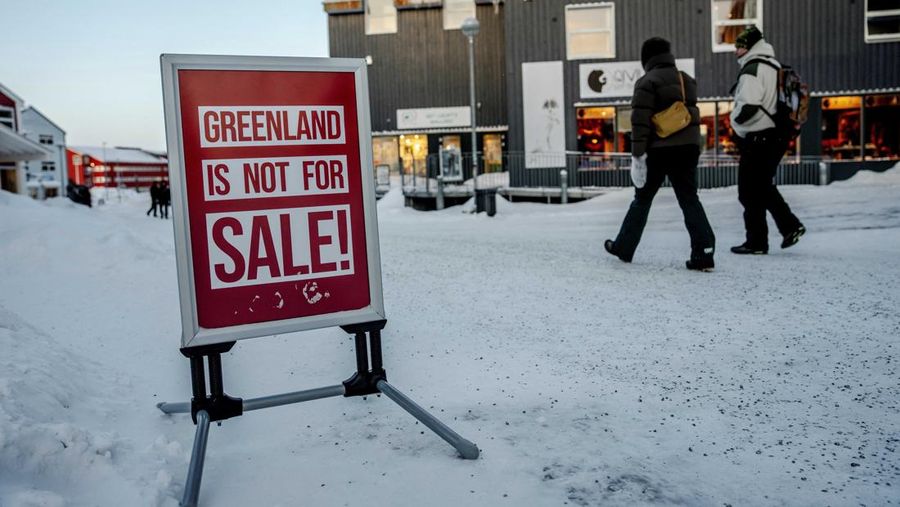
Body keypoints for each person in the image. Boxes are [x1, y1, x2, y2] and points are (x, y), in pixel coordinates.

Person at [604, 37, 716, 272]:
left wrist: (637, 156)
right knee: (689, 199)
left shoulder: (647, 82)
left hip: (659, 150)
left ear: (646, 58)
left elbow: (640, 123)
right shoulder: (686, 80)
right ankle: (704, 251)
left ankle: (624, 247)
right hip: (688, 148)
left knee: (642, 200)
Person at [729, 26, 805, 254]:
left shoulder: (752, 69)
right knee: (761, 186)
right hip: (777, 135)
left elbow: (749, 106)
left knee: (748, 190)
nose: (736, 51)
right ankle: (785, 229)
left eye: (740, 46)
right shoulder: (774, 66)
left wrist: (734, 122)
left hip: (759, 137)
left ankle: (759, 241)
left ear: (750, 47)